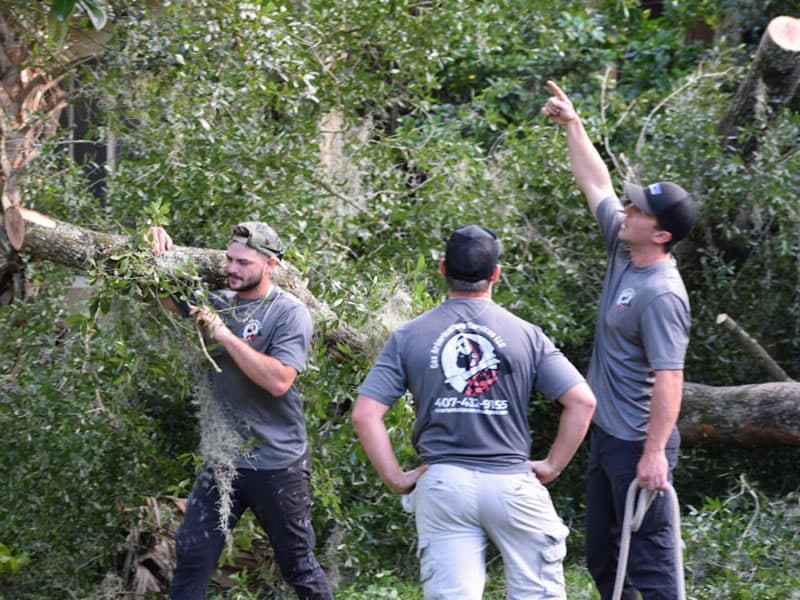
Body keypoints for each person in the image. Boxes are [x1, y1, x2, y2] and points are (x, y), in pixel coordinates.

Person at [352, 225, 597, 600]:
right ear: (496, 274)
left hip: (443, 484)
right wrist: (552, 466)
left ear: (441, 269)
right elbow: (582, 401)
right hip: (512, 483)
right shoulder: (527, 335)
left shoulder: (409, 335)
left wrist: (397, 479)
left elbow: (365, 414)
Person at [542, 80, 697, 600]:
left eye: (639, 211)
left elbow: (670, 379)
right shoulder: (623, 247)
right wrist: (573, 125)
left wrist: (654, 453)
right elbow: (596, 183)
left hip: (639, 443)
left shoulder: (662, 294)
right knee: (604, 557)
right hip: (607, 435)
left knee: (651, 568)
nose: (626, 211)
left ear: (662, 235)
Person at [148, 222, 333, 600]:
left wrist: (224, 335)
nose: (231, 268)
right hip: (224, 462)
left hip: (277, 464)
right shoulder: (217, 300)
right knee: (192, 555)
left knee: (298, 565)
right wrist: (155, 248)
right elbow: (163, 298)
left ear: (271, 265)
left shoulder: (289, 313)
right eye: (229, 259)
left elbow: (280, 380)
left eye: (243, 262)